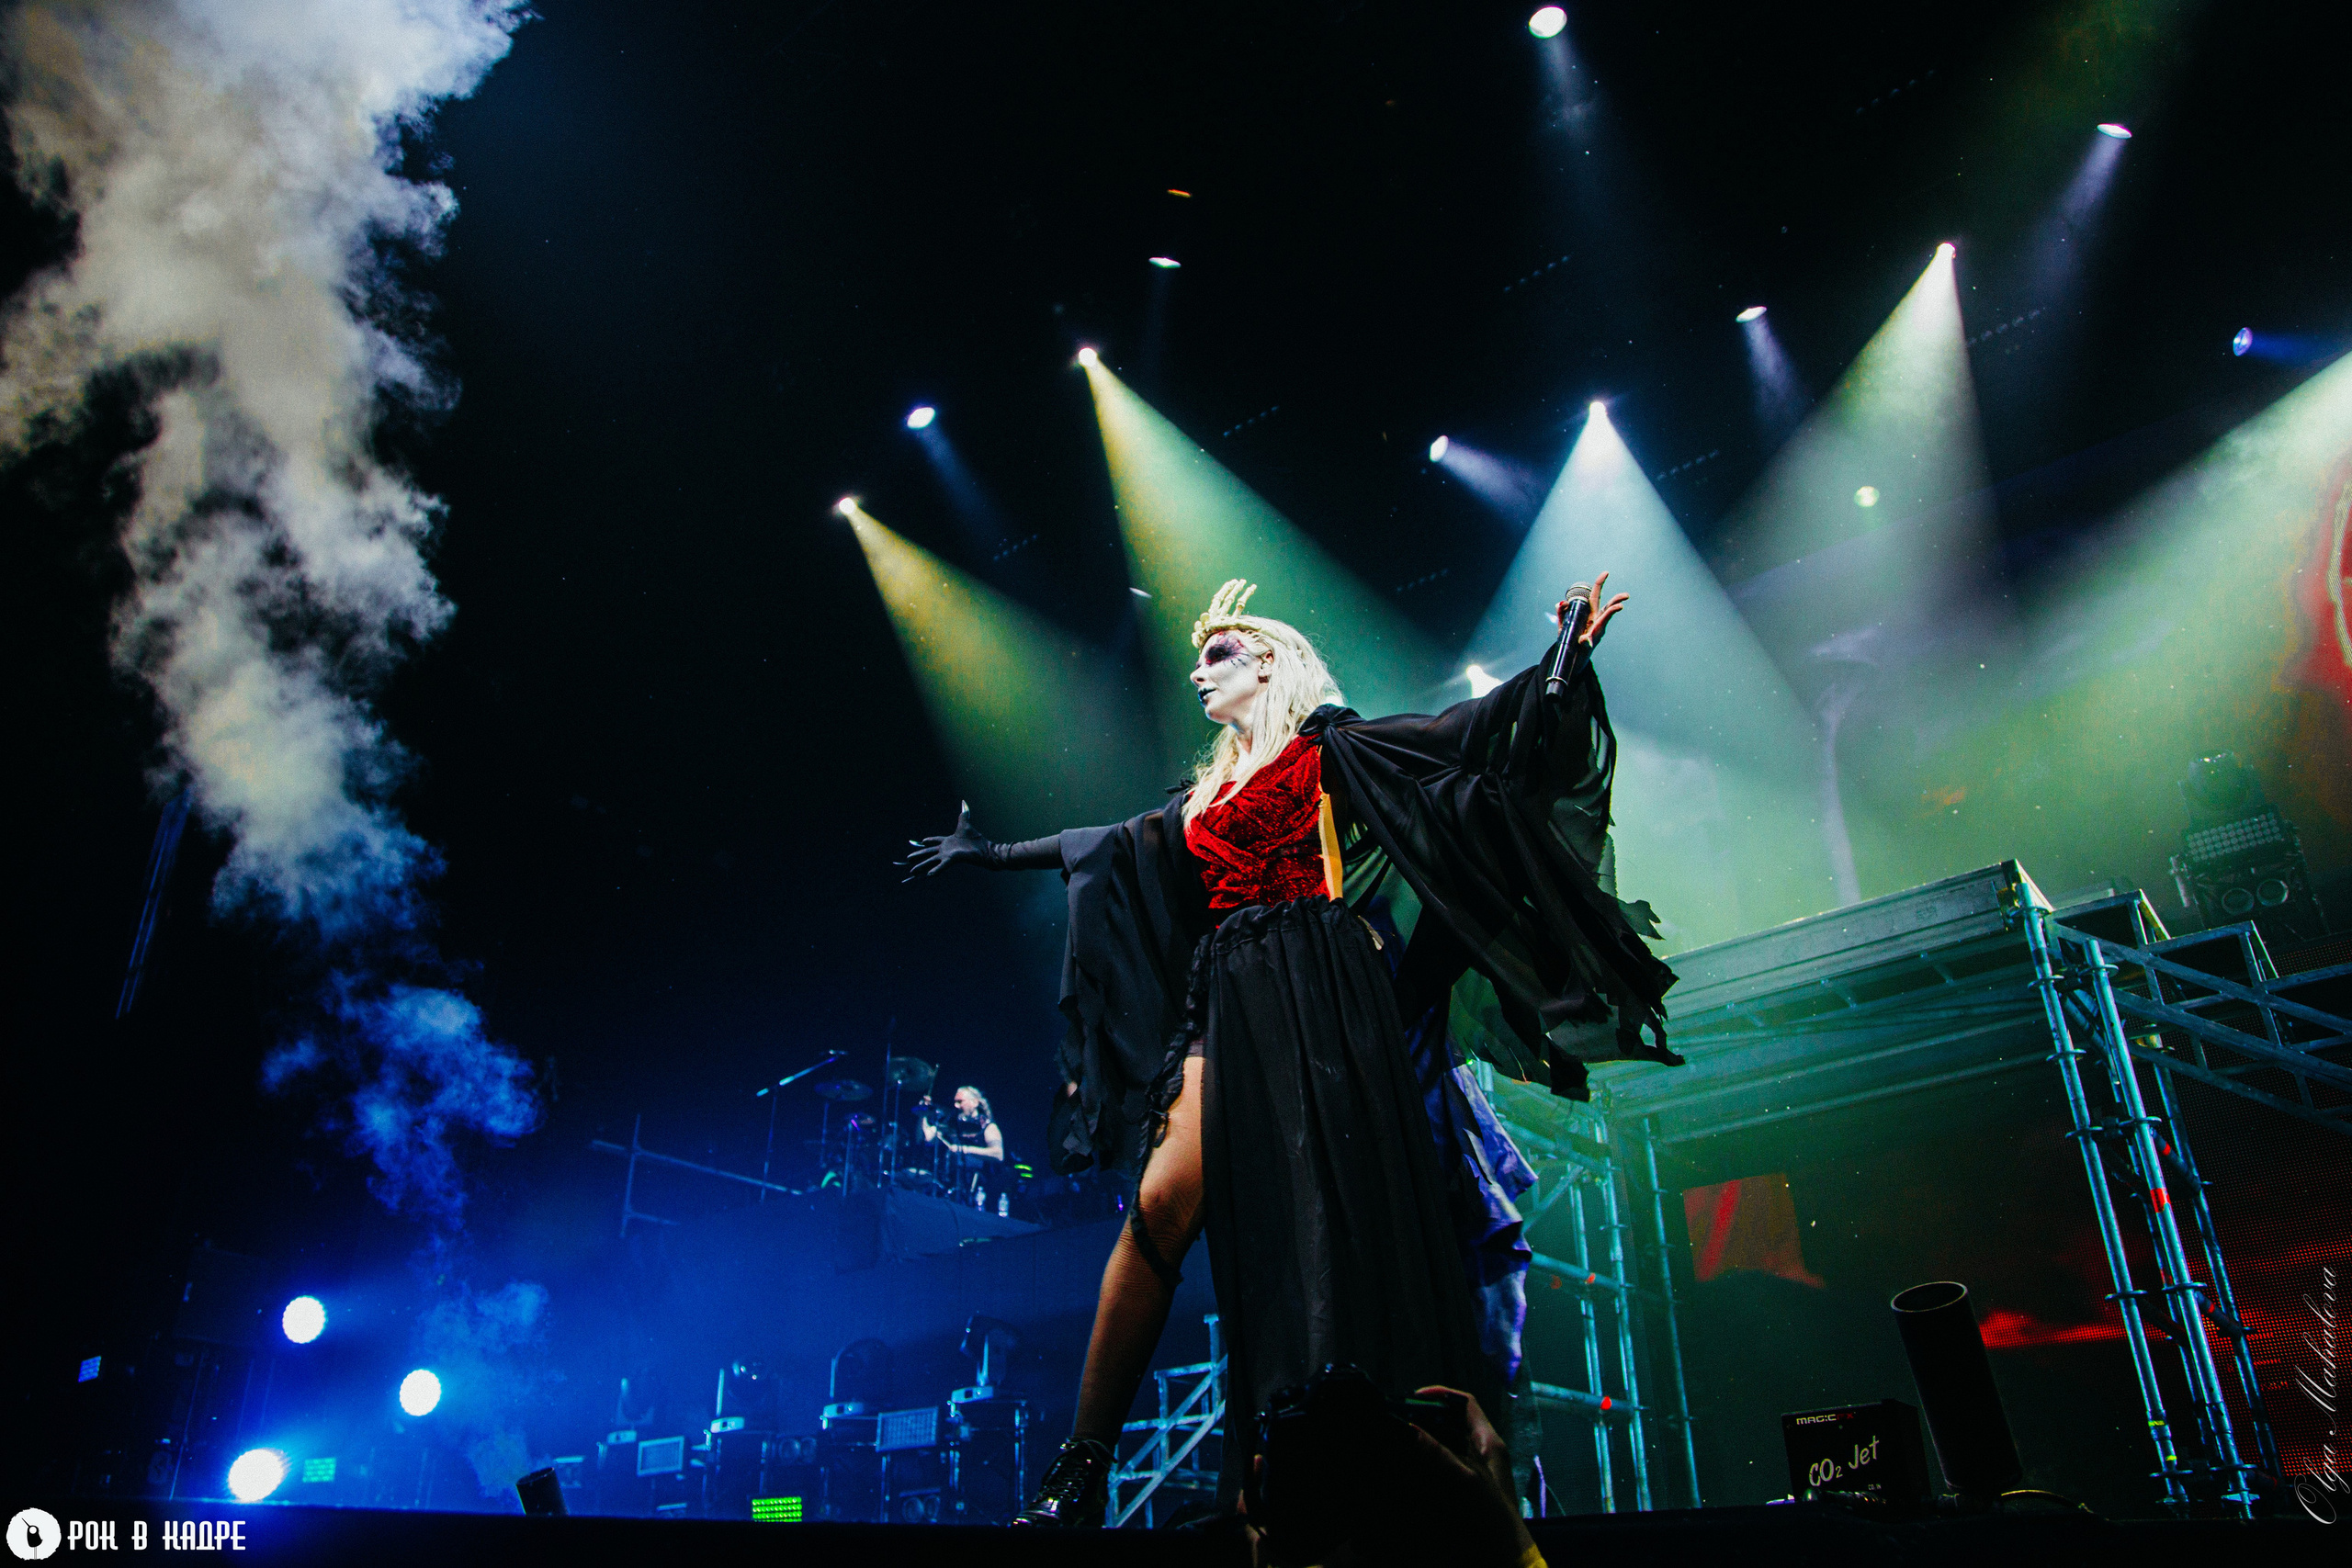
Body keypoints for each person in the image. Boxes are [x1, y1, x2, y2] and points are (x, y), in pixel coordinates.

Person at [902, 573, 1679, 1526]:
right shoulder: (1203, 793)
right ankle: (1082, 1466)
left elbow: (1462, 734)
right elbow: (1109, 845)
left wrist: (1562, 659)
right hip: (1228, 993)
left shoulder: (1329, 749)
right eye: (1195, 661)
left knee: (1338, 1219)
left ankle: (1370, 1469)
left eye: (1218, 654)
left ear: (1269, 661)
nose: (1197, 672)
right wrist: (989, 856)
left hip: (1324, 988)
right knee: (1158, 1206)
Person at [917, 1084, 1004, 1207]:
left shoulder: (988, 1126)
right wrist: (923, 1114)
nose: (956, 1106)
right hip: (949, 1186)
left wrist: (964, 1149)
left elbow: (998, 1154)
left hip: (978, 1189)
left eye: (960, 1102)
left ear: (974, 1102)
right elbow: (928, 1138)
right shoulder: (951, 1124)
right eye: (955, 1102)